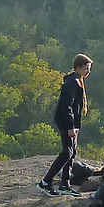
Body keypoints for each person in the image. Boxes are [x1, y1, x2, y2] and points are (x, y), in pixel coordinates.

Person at [38, 54, 92, 195]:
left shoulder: (78, 81)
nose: (88, 72)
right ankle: (45, 182)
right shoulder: (72, 83)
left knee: (72, 152)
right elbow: (66, 106)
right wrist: (70, 127)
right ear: (78, 68)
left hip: (74, 122)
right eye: (86, 68)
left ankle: (65, 185)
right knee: (67, 152)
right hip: (67, 122)